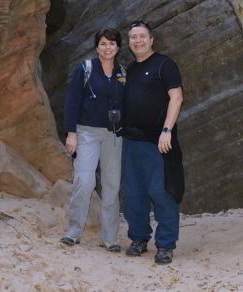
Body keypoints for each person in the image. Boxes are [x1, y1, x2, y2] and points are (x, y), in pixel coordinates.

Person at [121, 20, 184, 264]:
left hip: (159, 141)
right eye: (133, 37)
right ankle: (138, 238)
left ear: (151, 40)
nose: (137, 41)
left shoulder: (164, 65)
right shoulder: (131, 69)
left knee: (162, 191)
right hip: (131, 140)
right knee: (133, 193)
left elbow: (176, 97)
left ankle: (166, 245)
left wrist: (167, 130)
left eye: (141, 36)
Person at [60, 28, 126, 252]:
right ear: (97, 47)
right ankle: (73, 231)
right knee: (84, 181)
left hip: (114, 136)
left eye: (112, 44)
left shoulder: (123, 72)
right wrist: (71, 133)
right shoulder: (85, 69)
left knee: (111, 186)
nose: (108, 48)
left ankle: (109, 238)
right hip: (87, 133)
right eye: (104, 44)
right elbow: (72, 101)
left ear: (118, 47)